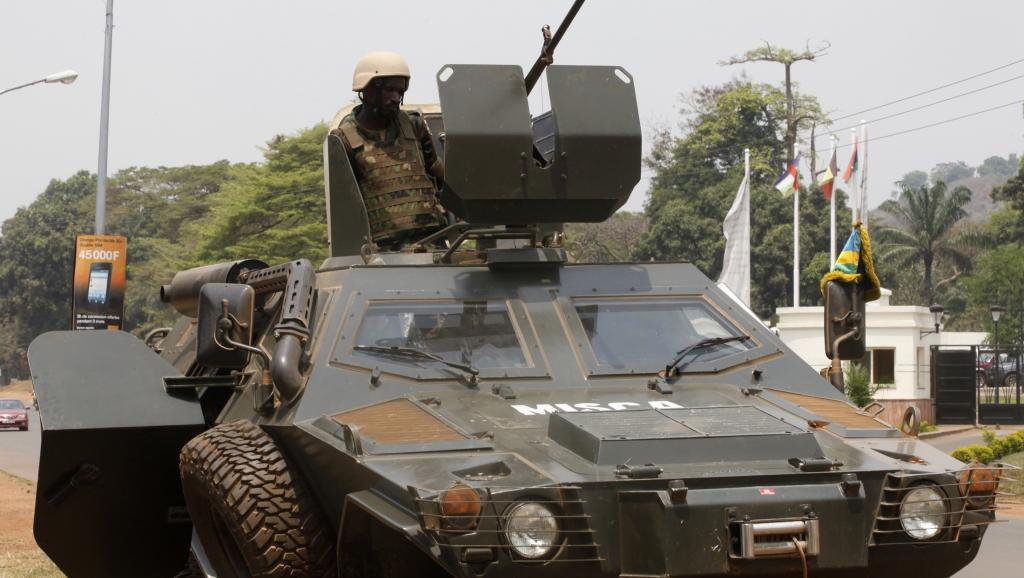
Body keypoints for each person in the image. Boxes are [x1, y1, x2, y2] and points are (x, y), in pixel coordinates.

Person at [331, 51, 447, 250]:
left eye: (400, 92)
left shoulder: (414, 126)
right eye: (389, 90)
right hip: (384, 254)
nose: (395, 98)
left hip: (432, 246)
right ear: (367, 89)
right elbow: (346, 208)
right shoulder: (346, 139)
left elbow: (439, 175)